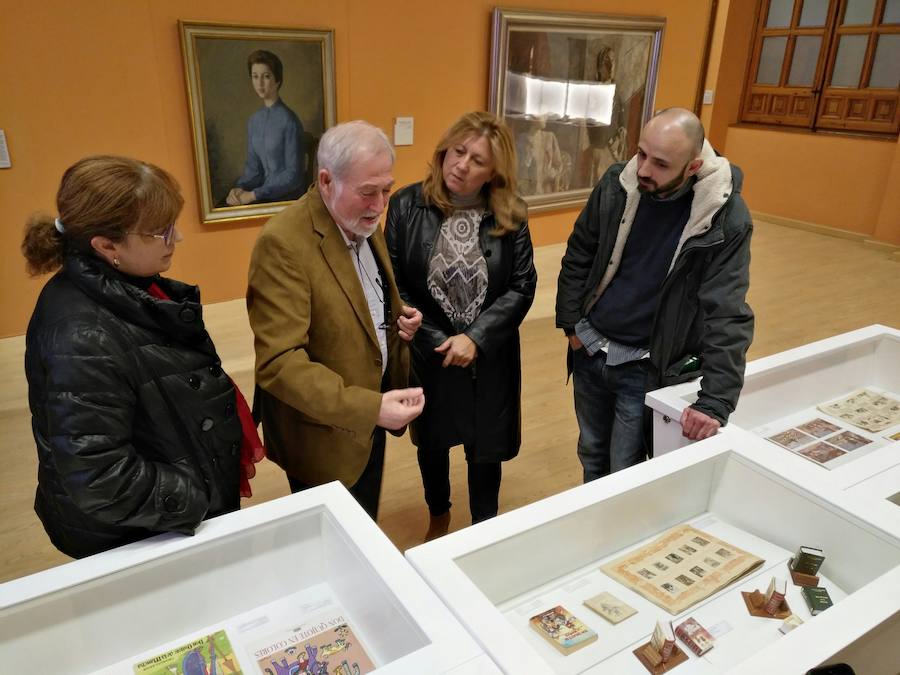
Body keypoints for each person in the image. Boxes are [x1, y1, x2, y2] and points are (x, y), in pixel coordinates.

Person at [22, 155, 262, 559]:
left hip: (161, 512)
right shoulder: (83, 337)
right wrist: (195, 497)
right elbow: (98, 476)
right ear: (107, 246)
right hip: (140, 537)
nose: (176, 238)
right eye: (161, 232)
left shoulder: (127, 286)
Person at [556, 107, 754, 482]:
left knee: (626, 467)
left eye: (661, 164)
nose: (643, 169)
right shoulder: (618, 183)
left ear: (693, 167)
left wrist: (716, 399)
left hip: (646, 366)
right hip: (590, 349)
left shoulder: (725, 216)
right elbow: (580, 251)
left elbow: (727, 310)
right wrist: (571, 326)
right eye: (641, 153)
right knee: (592, 452)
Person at [247, 120, 424, 520]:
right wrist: (370, 408)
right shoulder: (282, 243)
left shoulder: (362, 219)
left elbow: (358, 298)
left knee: (363, 526)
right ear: (327, 181)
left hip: (370, 420)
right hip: (323, 437)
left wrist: (396, 317)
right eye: (368, 192)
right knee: (331, 542)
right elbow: (279, 363)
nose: (380, 205)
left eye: (387, 190)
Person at [386, 111, 537, 539]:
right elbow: (394, 283)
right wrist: (438, 339)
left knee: (485, 449)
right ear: (444, 151)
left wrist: (476, 338)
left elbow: (523, 285)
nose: (462, 165)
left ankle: (483, 531)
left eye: (478, 160)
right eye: (458, 151)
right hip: (429, 352)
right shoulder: (406, 205)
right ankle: (439, 515)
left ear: (493, 173)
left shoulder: (511, 214)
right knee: (432, 443)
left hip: (488, 357)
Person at [226, 50, 305, 206]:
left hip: (287, 201)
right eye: (255, 76)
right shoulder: (254, 121)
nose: (260, 83)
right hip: (262, 196)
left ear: (277, 80)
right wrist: (240, 187)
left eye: (266, 76)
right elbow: (254, 169)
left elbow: (293, 175)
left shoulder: (290, 121)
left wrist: (254, 194)